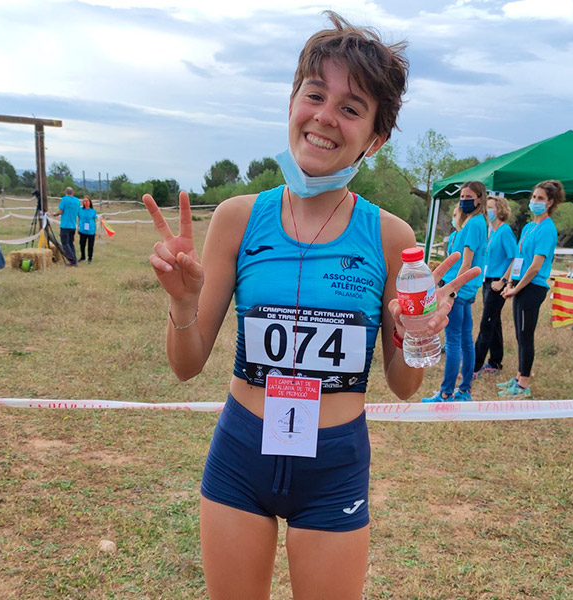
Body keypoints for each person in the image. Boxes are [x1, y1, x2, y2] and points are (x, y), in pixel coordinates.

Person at [143, 13, 479, 600]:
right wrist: (184, 304)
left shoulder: (390, 236)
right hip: (240, 455)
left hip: (334, 468)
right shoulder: (237, 218)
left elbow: (403, 385)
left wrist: (414, 333)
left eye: (351, 108)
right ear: (293, 100)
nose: (325, 117)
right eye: (315, 94)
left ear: (374, 138)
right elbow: (185, 364)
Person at [422, 181, 488, 403]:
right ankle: (464, 390)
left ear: (479, 199)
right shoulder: (476, 222)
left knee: (453, 341)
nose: (464, 200)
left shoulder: (474, 224)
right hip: (464, 289)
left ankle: (446, 392)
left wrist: (452, 289)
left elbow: (466, 263)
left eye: (469, 197)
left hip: (458, 290)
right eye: (461, 196)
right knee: (465, 340)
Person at [496, 180, 562, 398]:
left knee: (526, 335)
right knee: (519, 333)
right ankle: (518, 377)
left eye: (540, 198)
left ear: (550, 203)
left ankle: (524, 384)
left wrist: (518, 288)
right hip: (521, 285)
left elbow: (535, 266)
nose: (535, 201)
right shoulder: (529, 227)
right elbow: (520, 259)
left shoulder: (547, 229)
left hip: (533, 287)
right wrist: (510, 283)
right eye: (534, 197)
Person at [473, 195, 517, 378]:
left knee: (487, 323)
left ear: (499, 210)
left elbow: (516, 258)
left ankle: (474, 366)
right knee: (494, 322)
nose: (487, 210)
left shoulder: (505, 231)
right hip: (487, 280)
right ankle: (495, 361)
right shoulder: (492, 231)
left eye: (489, 207)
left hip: (497, 282)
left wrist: (504, 281)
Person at [53, 186, 80, 266]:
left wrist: (55, 214)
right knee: (70, 243)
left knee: (65, 243)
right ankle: (74, 259)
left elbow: (60, 211)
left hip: (65, 225)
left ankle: (72, 260)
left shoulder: (64, 199)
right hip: (73, 225)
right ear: (73, 193)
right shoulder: (77, 201)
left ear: (66, 193)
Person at [77, 196, 98, 263]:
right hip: (82, 230)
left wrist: (95, 231)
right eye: (84, 201)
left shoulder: (93, 211)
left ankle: (90, 258)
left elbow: (95, 221)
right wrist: (78, 228)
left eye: (87, 201)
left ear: (89, 202)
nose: (85, 202)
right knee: (82, 244)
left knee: (90, 245)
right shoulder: (80, 210)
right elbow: (78, 219)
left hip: (91, 231)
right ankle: (83, 257)